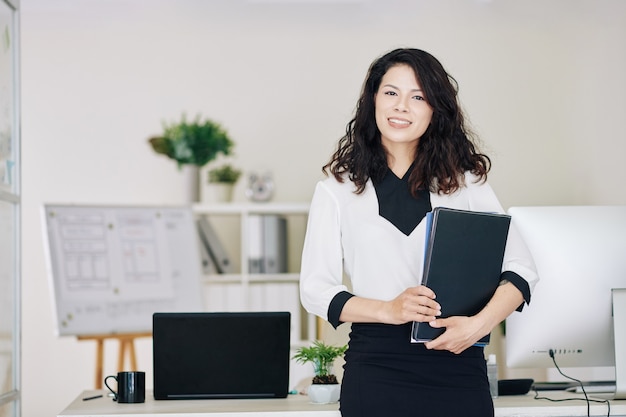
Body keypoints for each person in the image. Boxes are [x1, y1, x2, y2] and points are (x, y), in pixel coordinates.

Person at [299, 48, 539, 417]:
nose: (401, 107)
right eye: (391, 93)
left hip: (458, 366)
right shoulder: (337, 188)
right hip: (377, 369)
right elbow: (316, 289)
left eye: (418, 97)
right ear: (373, 100)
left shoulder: (466, 182)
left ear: (434, 110)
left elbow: (521, 269)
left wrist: (478, 326)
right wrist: (389, 309)